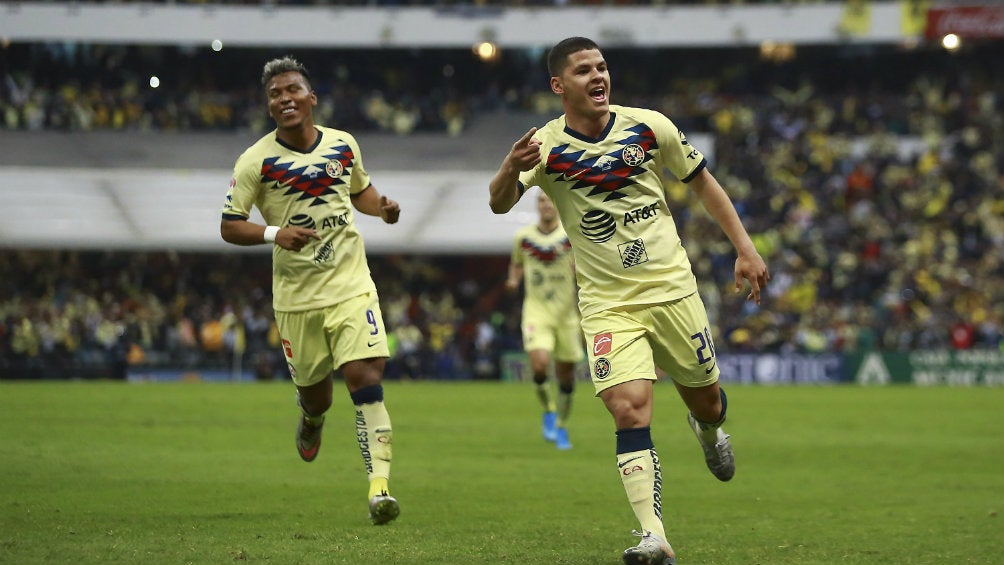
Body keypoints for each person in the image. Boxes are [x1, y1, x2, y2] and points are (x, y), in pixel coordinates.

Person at [488, 37, 769, 565]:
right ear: (558, 86)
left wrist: (745, 249)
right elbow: (500, 203)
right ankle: (654, 535)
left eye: (602, 67)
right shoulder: (544, 147)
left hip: (671, 291)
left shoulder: (649, 126)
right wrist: (509, 167)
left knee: (705, 400)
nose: (598, 76)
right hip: (607, 304)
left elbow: (703, 184)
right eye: (583, 70)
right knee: (628, 408)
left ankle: (708, 431)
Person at [220, 56, 402, 526]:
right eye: (275, 94)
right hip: (298, 298)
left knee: (365, 377)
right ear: (269, 105)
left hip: (350, 284)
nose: (284, 99)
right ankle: (312, 418)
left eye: (292, 90)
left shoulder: (343, 145)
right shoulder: (255, 161)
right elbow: (229, 225)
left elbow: (359, 190)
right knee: (318, 396)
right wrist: (272, 233)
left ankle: (379, 489)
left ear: (311, 97)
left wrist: (381, 209)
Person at [504, 189, 584, 450]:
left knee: (566, 377)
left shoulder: (570, 236)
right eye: (541, 201)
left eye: (550, 200)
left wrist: (579, 272)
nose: (546, 205)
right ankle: (549, 411)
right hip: (536, 310)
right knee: (539, 365)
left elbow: (584, 266)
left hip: (566, 314)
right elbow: (517, 263)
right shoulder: (524, 238)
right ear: (537, 206)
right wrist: (514, 279)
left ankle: (561, 425)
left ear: (557, 205)